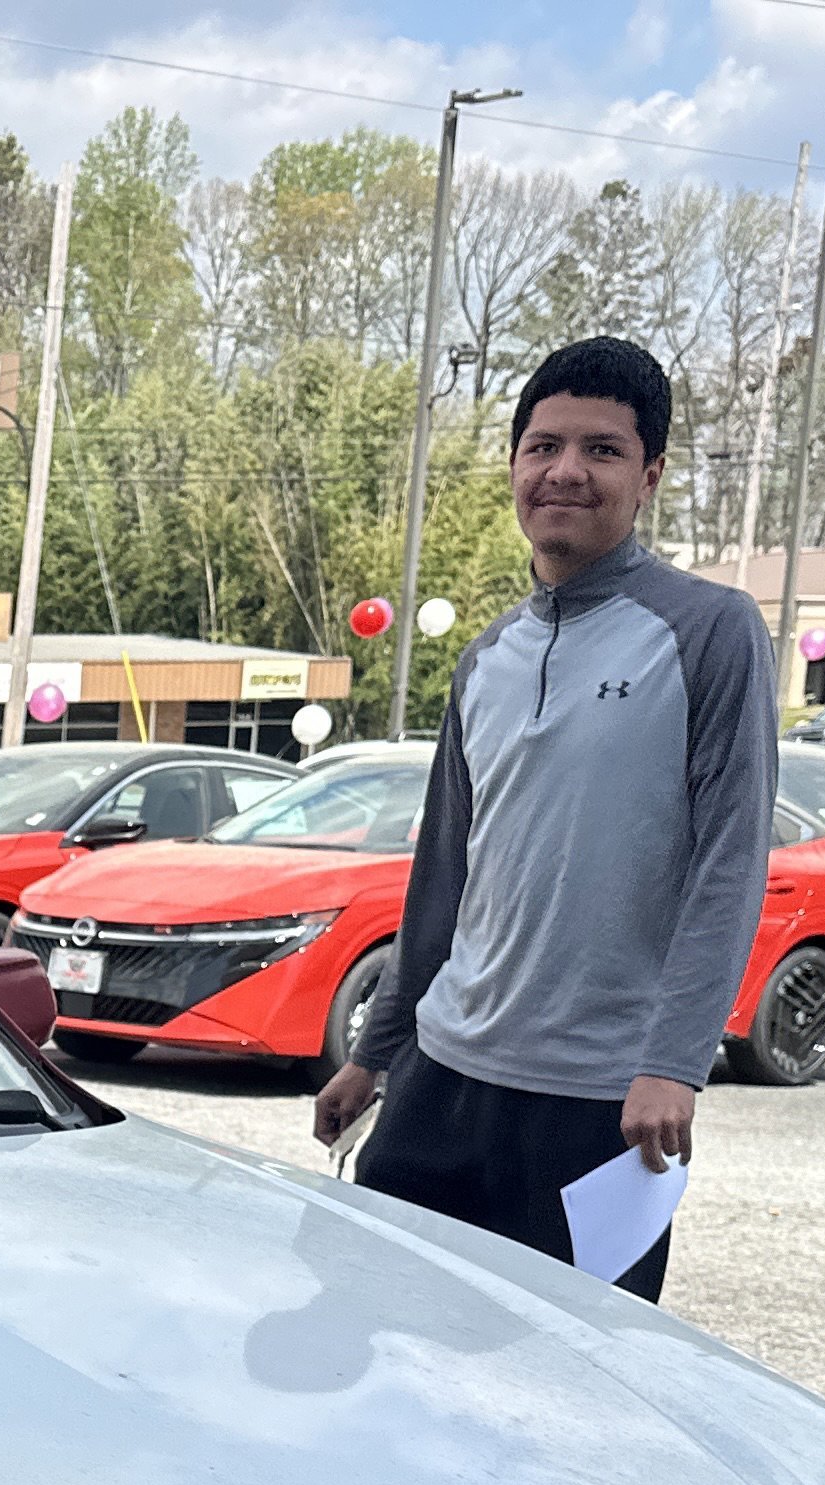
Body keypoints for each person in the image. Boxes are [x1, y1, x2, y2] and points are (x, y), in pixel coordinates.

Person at [312, 336, 777, 1303]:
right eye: (543, 446)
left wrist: (672, 1064)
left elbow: (729, 865)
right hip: (441, 1080)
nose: (566, 471)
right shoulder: (487, 656)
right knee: (386, 1346)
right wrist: (376, 1053)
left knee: (566, 1400)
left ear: (649, 475)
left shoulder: (710, 632)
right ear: (516, 465)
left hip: (603, 1103)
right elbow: (443, 879)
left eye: (602, 450)